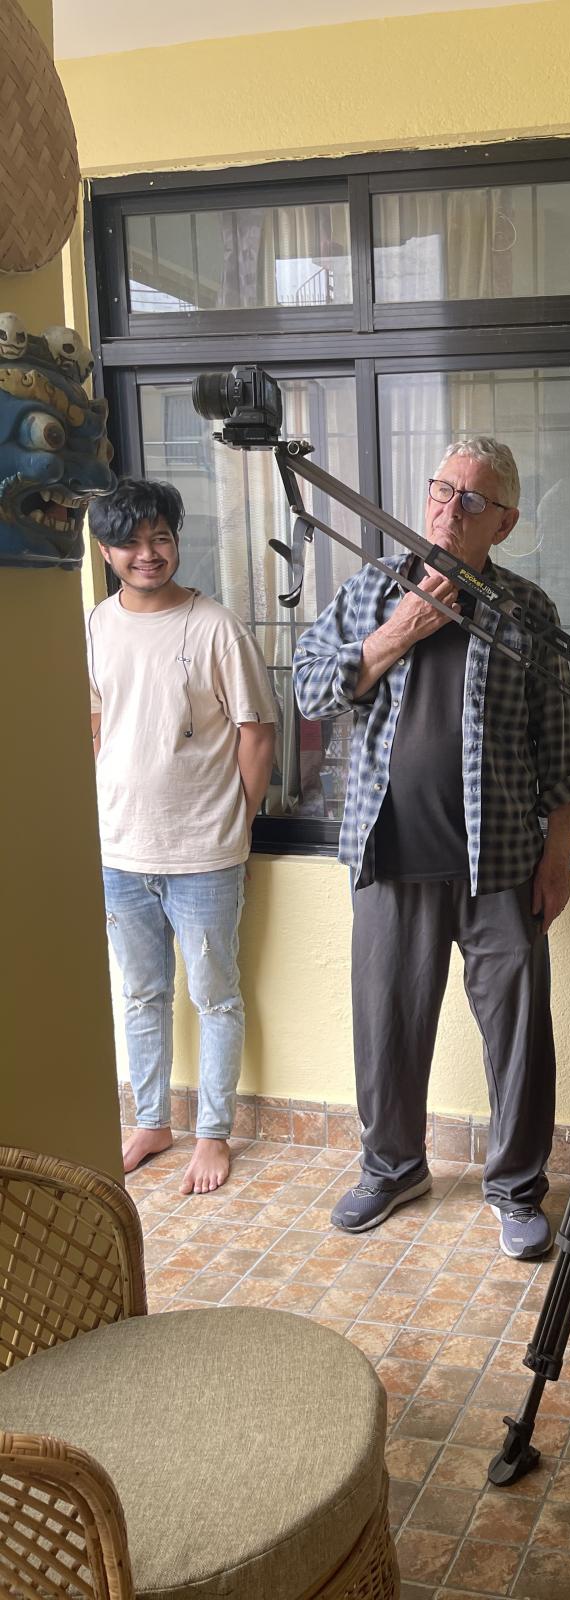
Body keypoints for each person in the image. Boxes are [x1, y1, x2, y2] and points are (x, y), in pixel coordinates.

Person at [292, 438, 570, 1258]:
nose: (451, 508)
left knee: (519, 1036)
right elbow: (309, 688)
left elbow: (559, 745)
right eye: (442, 490)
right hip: (388, 855)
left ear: (506, 523)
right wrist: (400, 630)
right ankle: (392, 1167)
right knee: (385, 1026)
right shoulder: (373, 588)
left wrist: (558, 858)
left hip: (503, 861)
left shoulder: (527, 611)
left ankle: (517, 1188)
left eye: (474, 499)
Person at [87, 480, 277, 1196]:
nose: (148, 553)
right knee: (140, 994)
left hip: (204, 852)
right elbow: (96, 722)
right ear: (105, 551)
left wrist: (239, 826)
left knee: (215, 995)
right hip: (118, 849)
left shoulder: (216, 627)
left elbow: (257, 734)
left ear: (176, 540)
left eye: (160, 538)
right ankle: (150, 1122)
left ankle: (213, 1133)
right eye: (130, 542)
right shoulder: (96, 625)